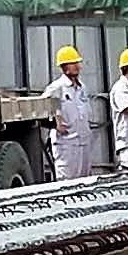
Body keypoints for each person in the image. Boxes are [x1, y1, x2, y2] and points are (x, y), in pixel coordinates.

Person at [42, 45, 93, 180]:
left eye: (77, 63)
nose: (77, 66)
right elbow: (41, 108)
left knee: (86, 182)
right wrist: (55, 123)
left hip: (84, 142)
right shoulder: (57, 87)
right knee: (67, 183)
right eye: (73, 63)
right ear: (64, 66)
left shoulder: (82, 88)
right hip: (66, 144)